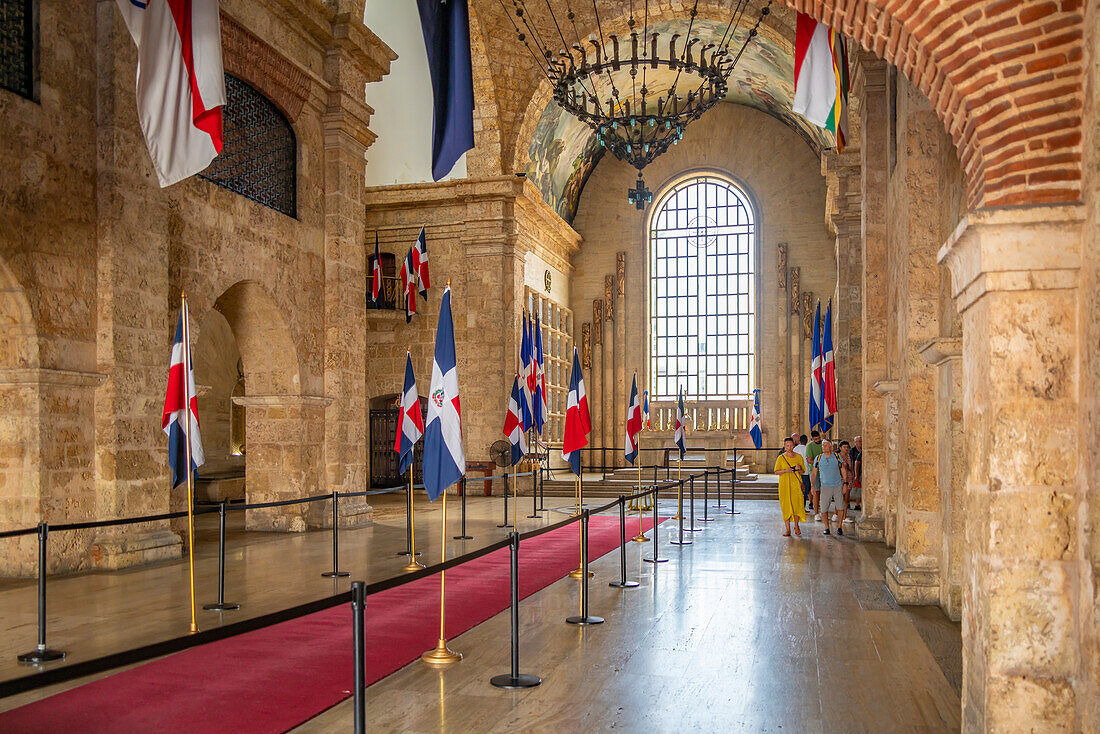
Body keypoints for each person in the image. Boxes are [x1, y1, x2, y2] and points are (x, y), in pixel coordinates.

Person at [812, 440, 847, 535]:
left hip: (837, 485)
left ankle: (839, 526)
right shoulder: (818, 458)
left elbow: (843, 470)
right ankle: (827, 527)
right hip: (825, 486)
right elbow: (814, 473)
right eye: (823, 445)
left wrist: (845, 484)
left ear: (831, 447)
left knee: (840, 507)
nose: (823, 447)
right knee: (823, 509)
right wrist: (812, 486)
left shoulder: (837, 456)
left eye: (826, 445)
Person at [774, 437, 806, 537]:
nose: (789, 447)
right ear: (784, 446)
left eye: (791, 445)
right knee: (786, 505)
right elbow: (776, 471)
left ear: (794, 445)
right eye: (787, 446)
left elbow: (803, 471)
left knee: (797, 505)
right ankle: (787, 529)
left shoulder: (799, 457)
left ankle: (796, 526)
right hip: (785, 485)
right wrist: (785, 470)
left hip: (796, 484)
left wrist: (798, 468)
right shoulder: (781, 458)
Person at [805, 430, 823, 520]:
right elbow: (809, 460)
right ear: (812, 439)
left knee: (825, 493)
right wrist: (821, 464)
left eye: (819, 438)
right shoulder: (809, 446)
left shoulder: (824, 443)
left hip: (825, 472)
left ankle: (824, 512)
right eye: (816, 439)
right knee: (816, 493)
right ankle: (816, 513)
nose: (818, 440)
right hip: (815, 472)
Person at [794, 435, 810, 509]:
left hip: (796, 473)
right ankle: (801, 508)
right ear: (806, 441)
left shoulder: (795, 449)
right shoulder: (807, 449)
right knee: (805, 490)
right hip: (805, 472)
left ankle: (799, 507)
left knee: (799, 490)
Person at [839, 440, 853, 511]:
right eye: (844, 447)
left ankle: (844, 515)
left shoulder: (849, 456)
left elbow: (851, 468)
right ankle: (837, 514)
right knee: (839, 498)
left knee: (846, 498)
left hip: (848, 477)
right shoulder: (837, 457)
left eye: (847, 447)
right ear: (840, 448)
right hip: (839, 478)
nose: (846, 449)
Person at [851, 436, 863, 511]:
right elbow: (855, 462)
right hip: (855, 472)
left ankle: (858, 504)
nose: (861, 443)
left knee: (859, 490)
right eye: (859, 441)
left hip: (861, 472)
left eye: (861, 441)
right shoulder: (852, 451)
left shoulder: (862, 450)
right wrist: (855, 474)